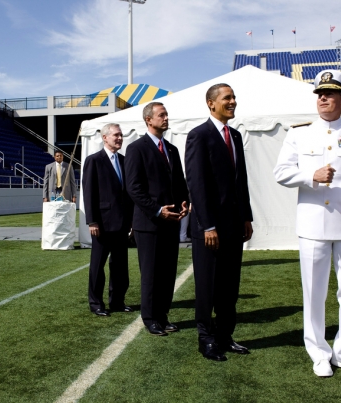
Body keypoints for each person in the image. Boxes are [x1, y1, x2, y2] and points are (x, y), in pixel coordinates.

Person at [274, 70, 341, 377]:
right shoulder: (298, 133)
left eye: (330, 93)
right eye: (320, 93)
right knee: (314, 292)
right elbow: (281, 172)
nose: (322, 97)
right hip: (312, 226)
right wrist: (311, 176)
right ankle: (319, 353)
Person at [185, 84, 254, 361]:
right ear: (211, 103)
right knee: (207, 285)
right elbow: (197, 185)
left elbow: (242, 182)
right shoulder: (198, 136)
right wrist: (208, 225)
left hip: (234, 226)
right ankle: (206, 339)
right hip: (209, 228)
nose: (233, 102)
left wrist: (247, 216)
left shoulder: (235, 136)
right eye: (227, 98)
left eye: (234, 97)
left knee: (229, 285)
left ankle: (225, 335)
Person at [125, 102, 189, 336]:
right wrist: (156, 210)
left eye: (166, 114)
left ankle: (163, 315)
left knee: (167, 273)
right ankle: (150, 318)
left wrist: (184, 203)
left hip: (171, 223)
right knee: (151, 274)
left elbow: (180, 182)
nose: (166, 118)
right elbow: (133, 187)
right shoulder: (136, 149)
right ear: (148, 120)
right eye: (161, 115)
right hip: (149, 224)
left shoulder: (171, 149)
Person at [83, 123, 134, 316]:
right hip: (102, 224)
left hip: (121, 223)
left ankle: (117, 301)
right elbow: (89, 193)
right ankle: (96, 303)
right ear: (105, 138)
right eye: (116, 135)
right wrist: (92, 221)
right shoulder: (94, 161)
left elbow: (127, 193)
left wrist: (131, 220)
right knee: (98, 266)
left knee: (120, 266)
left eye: (121, 135)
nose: (120, 138)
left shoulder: (124, 160)